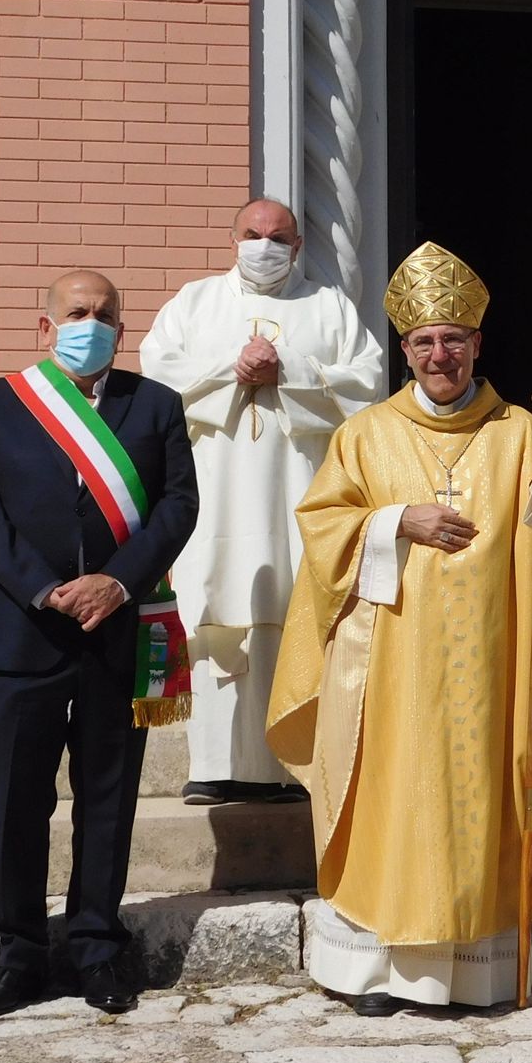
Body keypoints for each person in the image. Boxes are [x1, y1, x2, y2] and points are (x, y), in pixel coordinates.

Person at [268, 242, 532, 1015]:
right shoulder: (365, 435)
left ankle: (472, 971)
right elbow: (324, 531)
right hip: (390, 664)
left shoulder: (522, 431)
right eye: (424, 342)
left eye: (454, 338)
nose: (440, 353)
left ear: (479, 346)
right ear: (406, 350)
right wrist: (396, 521)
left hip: (490, 664)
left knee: (472, 801)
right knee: (391, 800)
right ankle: (374, 974)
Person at [0, 271, 198, 1019]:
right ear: (46, 326)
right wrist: (45, 587)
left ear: (124, 329)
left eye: (105, 315)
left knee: (107, 798)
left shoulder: (153, 405)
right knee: (19, 801)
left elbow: (179, 505)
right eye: (77, 313)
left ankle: (96, 947)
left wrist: (116, 583)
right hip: (23, 629)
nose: (91, 324)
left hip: (116, 631)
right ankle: (20, 954)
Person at [140, 197, 385, 807]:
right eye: (253, 234)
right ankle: (215, 766)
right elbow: (157, 377)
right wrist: (233, 366)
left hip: (299, 495)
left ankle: (290, 764)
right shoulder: (194, 303)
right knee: (212, 611)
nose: (265, 245)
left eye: (279, 237)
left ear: (298, 246)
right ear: (234, 238)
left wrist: (290, 368)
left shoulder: (329, 307)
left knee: (296, 609)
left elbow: (368, 383)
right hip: (212, 495)